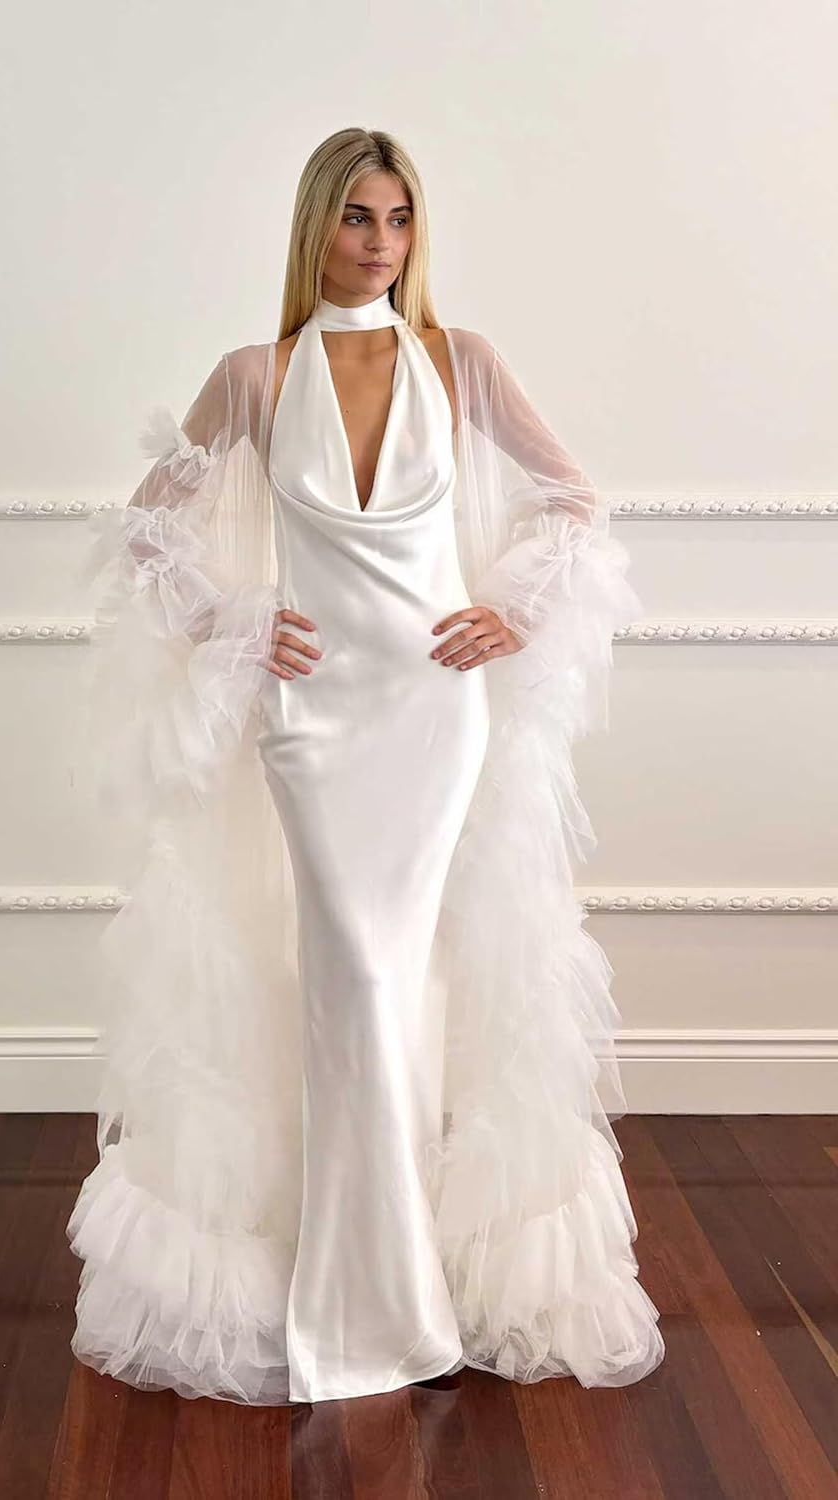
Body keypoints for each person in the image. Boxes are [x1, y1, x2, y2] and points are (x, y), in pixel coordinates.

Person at [65, 126, 666, 1406]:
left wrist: (512, 603)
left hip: (433, 713)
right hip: (312, 716)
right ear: (315, 227)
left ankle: (404, 1283)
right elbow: (148, 529)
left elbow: (573, 499)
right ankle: (364, 1297)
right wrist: (233, 619)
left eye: (397, 219)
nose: (379, 242)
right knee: (353, 979)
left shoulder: (461, 361)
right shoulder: (254, 375)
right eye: (356, 217)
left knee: (411, 982)